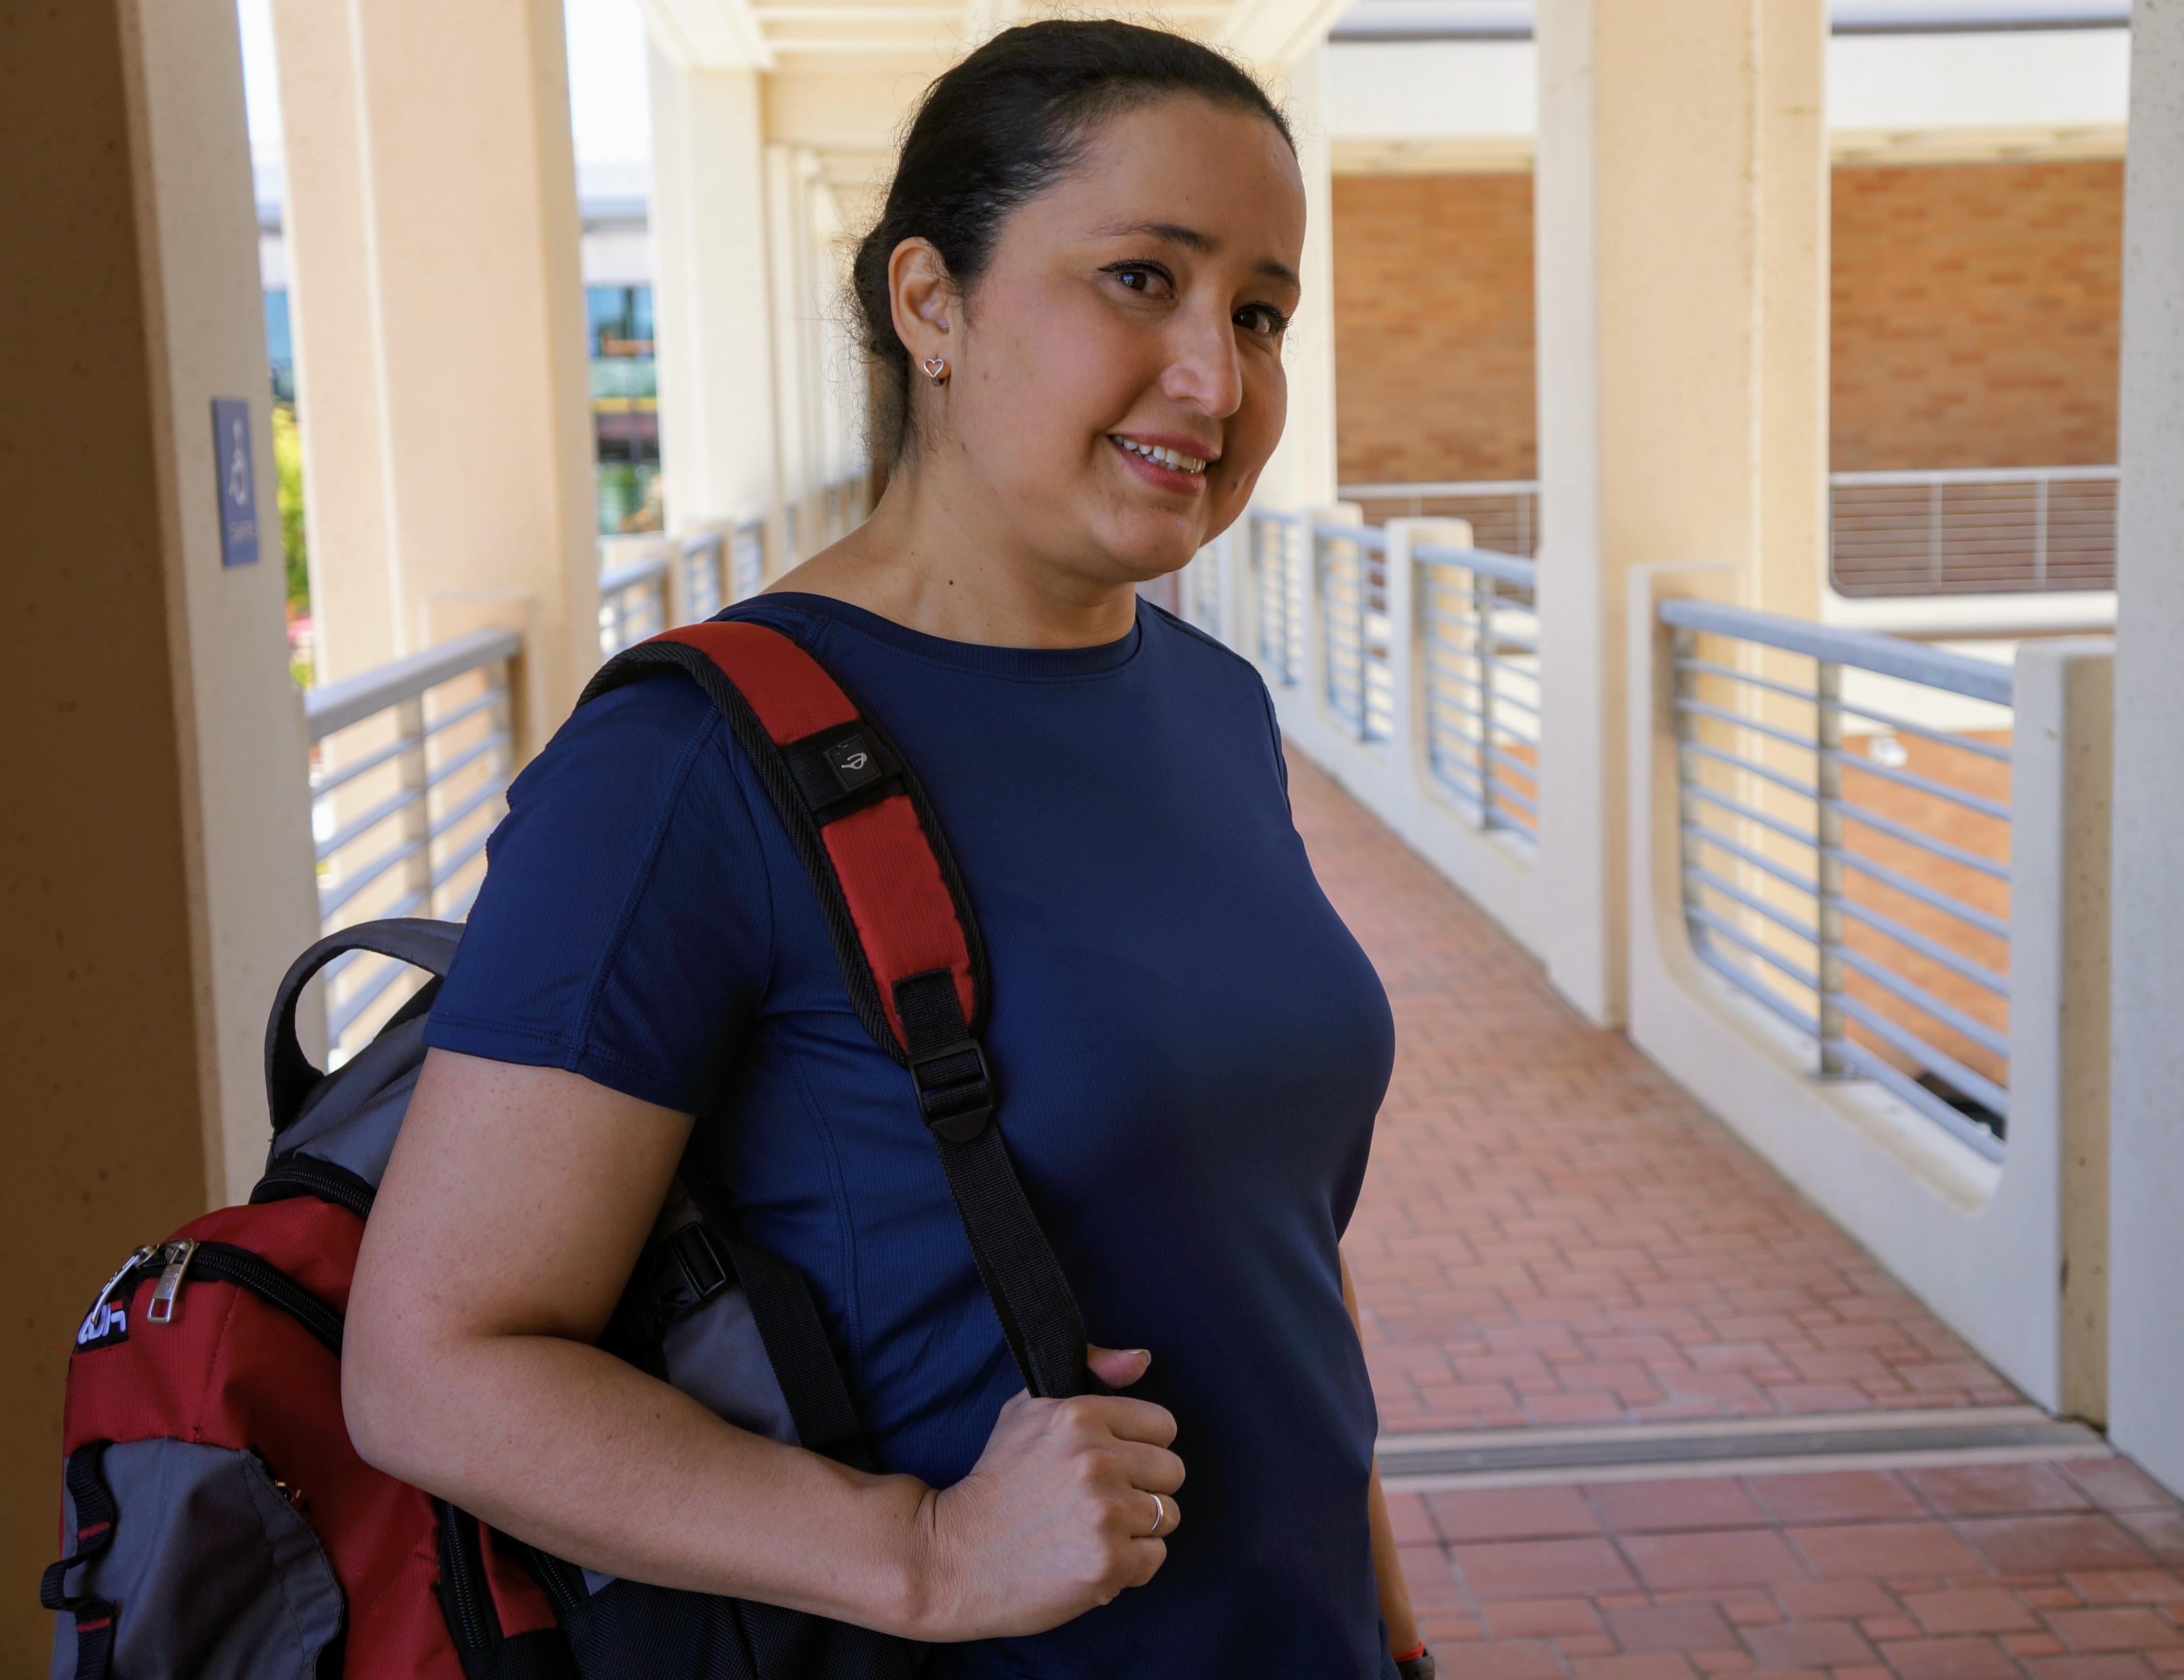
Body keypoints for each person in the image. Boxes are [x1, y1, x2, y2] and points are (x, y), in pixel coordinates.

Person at [340, 19, 1434, 1677]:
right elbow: (431, 1362)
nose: (1219, 378)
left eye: (1261, 313)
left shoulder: (1213, 706)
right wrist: (919, 1553)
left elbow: (1267, 1245)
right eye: (1143, 278)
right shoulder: (690, 759)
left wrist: (1392, 1632)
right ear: (932, 303)